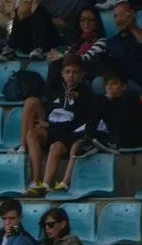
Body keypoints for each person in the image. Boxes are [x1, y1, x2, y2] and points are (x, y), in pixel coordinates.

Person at [21, 53, 94, 196]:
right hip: (52, 131)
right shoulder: (56, 90)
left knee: (55, 146)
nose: (71, 76)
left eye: (75, 72)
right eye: (67, 72)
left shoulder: (87, 94)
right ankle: (35, 180)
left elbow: (79, 125)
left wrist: (49, 126)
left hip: (66, 138)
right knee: (32, 133)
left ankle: (46, 184)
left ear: (82, 74)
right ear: (62, 74)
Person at [45, 6, 107, 87]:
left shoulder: (102, 41)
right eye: (83, 20)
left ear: (97, 22)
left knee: (59, 65)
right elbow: (67, 55)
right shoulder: (78, 41)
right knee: (55, 63)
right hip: (73, 73)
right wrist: (54, 56)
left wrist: (61, 56)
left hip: (88, 74)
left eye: (90, 20)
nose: (86, 24)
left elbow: (85, 58)